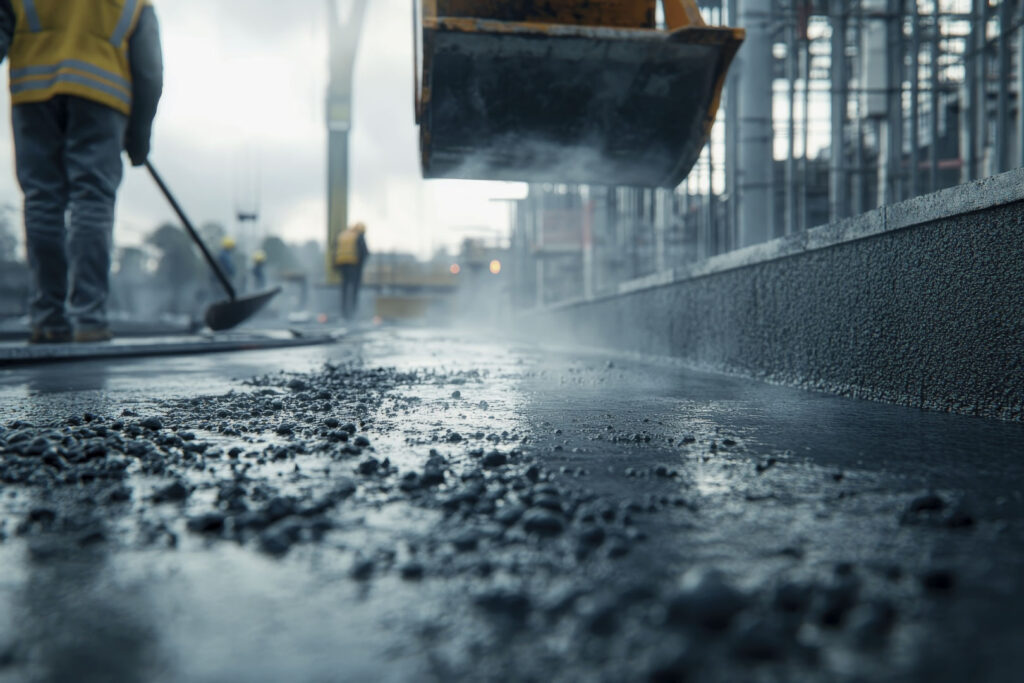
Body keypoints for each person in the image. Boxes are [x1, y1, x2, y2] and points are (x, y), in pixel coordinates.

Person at [0, 0, 164, 344]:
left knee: (42, 200)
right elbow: (149, 69)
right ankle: (89, 319)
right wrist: (139, 136)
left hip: (33, 93)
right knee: (93, 201)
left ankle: (47, 319)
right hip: (101, 97)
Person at [333, 222, 369, 321]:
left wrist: (335, 266)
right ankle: (353, 312)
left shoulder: (343, 235)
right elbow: (364, 252)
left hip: (342, 265)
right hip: (354, 265)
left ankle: (343, 312)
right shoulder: (358, 236)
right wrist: (361, 265)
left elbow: (335, 249)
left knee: (344, 288)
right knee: (354, 289)